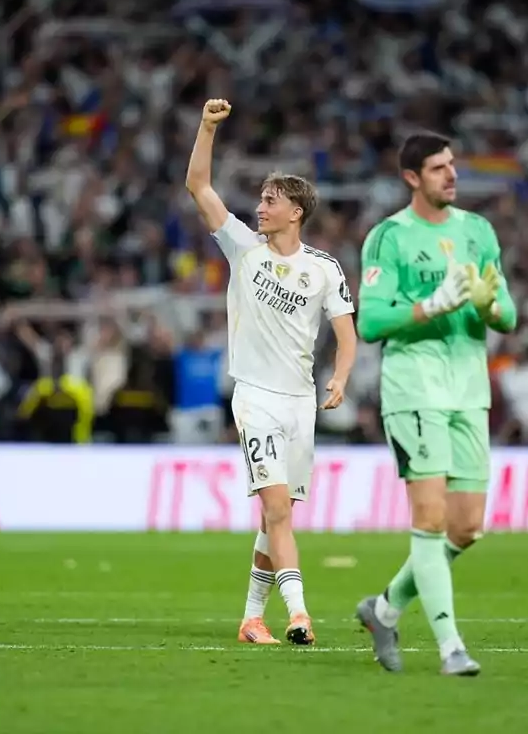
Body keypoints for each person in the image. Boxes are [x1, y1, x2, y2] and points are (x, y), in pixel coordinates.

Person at [185, 99, 357, 646]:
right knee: (278, 509)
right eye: (260, 199)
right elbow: (198, 186)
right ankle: (299, 613)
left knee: (273, 518)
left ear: (296, 212)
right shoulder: (243, 248)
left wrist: (341, 376)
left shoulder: (324, 268)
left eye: (270, 200)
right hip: (255, 396)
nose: (259, 207)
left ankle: (251, 618)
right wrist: (208, 128)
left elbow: (347, 334)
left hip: (299, 402)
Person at [353, 132, 517, 676]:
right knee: (428, 516)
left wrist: (488, 305)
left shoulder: (478, 231)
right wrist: (429, 306)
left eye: (452, 165)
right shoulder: (389, 237)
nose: (451, 175)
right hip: (413, 388)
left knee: (466, 527)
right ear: (411, 178)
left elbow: (509, 317)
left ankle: (384, 610)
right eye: (438, 168)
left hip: (469, 390)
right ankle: (451, 648)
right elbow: (371, 322)